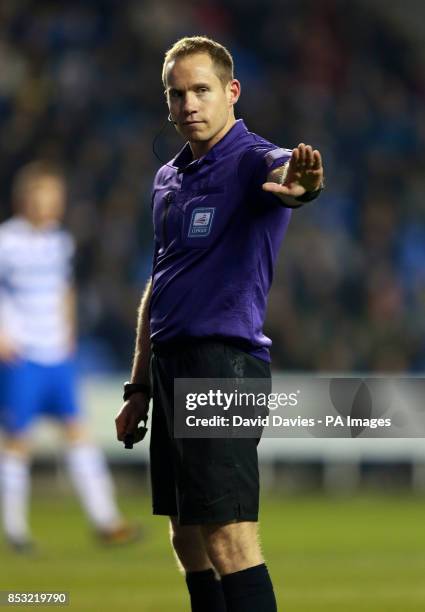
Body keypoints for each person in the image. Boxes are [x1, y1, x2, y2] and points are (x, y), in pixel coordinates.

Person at [115, 36, 324, 612]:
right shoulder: (167, 179)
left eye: (201, 90)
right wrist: (139, 386)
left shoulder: (253, 158)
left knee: (229, 534)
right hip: (170, 366)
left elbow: (293, 179)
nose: (189, 105)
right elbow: (159, 285)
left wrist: (303, 183)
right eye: (177, 94)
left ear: (231, 91)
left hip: (223, 366)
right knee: (186, 535)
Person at [0, 161, 140, 553]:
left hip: (57, 354)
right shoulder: (7, 241)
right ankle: (14, 529)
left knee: (78, 433)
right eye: (44, 197)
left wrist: (68, 330)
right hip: (21, 354)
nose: (51, 205)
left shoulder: (59, 241)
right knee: (16, 441)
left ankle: (106, 521)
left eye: (55, 198)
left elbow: (65, 289)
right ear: (24, 199)